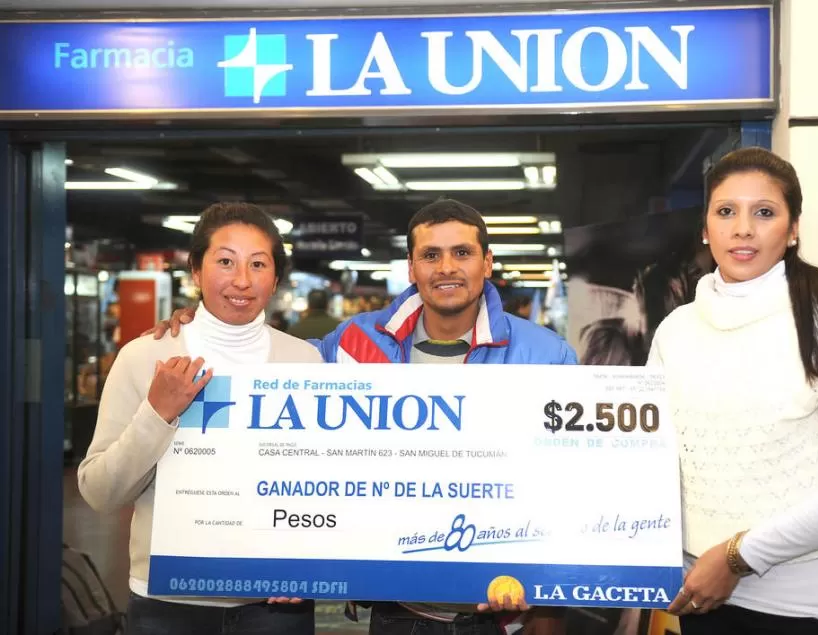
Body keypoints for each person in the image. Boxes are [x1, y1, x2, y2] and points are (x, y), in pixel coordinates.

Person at [150, 198, 576, 635]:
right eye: (431, 255)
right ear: (411, 267)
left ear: (487, 262)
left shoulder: (546, 356)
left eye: (462, 253)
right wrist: (200, 325)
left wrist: (541, 575)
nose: (446, 267)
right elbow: (261, 378)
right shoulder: (354, 343)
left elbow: (566, 481)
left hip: (502, 611)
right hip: (399, 611)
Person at [647, 147, 818, 634]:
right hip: (701, 602)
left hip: (813, 610)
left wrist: (734, 559)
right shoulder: (675, 331)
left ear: (793, 230)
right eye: (726, 211)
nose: (743, 229)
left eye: (764, 213)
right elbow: (652, 463)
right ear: (706, 228)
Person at [78, 202, 323, 635]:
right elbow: (100, 493)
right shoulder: (145, 356)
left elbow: (319, 488)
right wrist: (157, 413)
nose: (242, 280)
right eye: (225, 261)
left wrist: (306, 559)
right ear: (195, 271)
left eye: (258, 264)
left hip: (274, 605)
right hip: (168, 605)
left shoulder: (304, 362)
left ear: (276, 278)